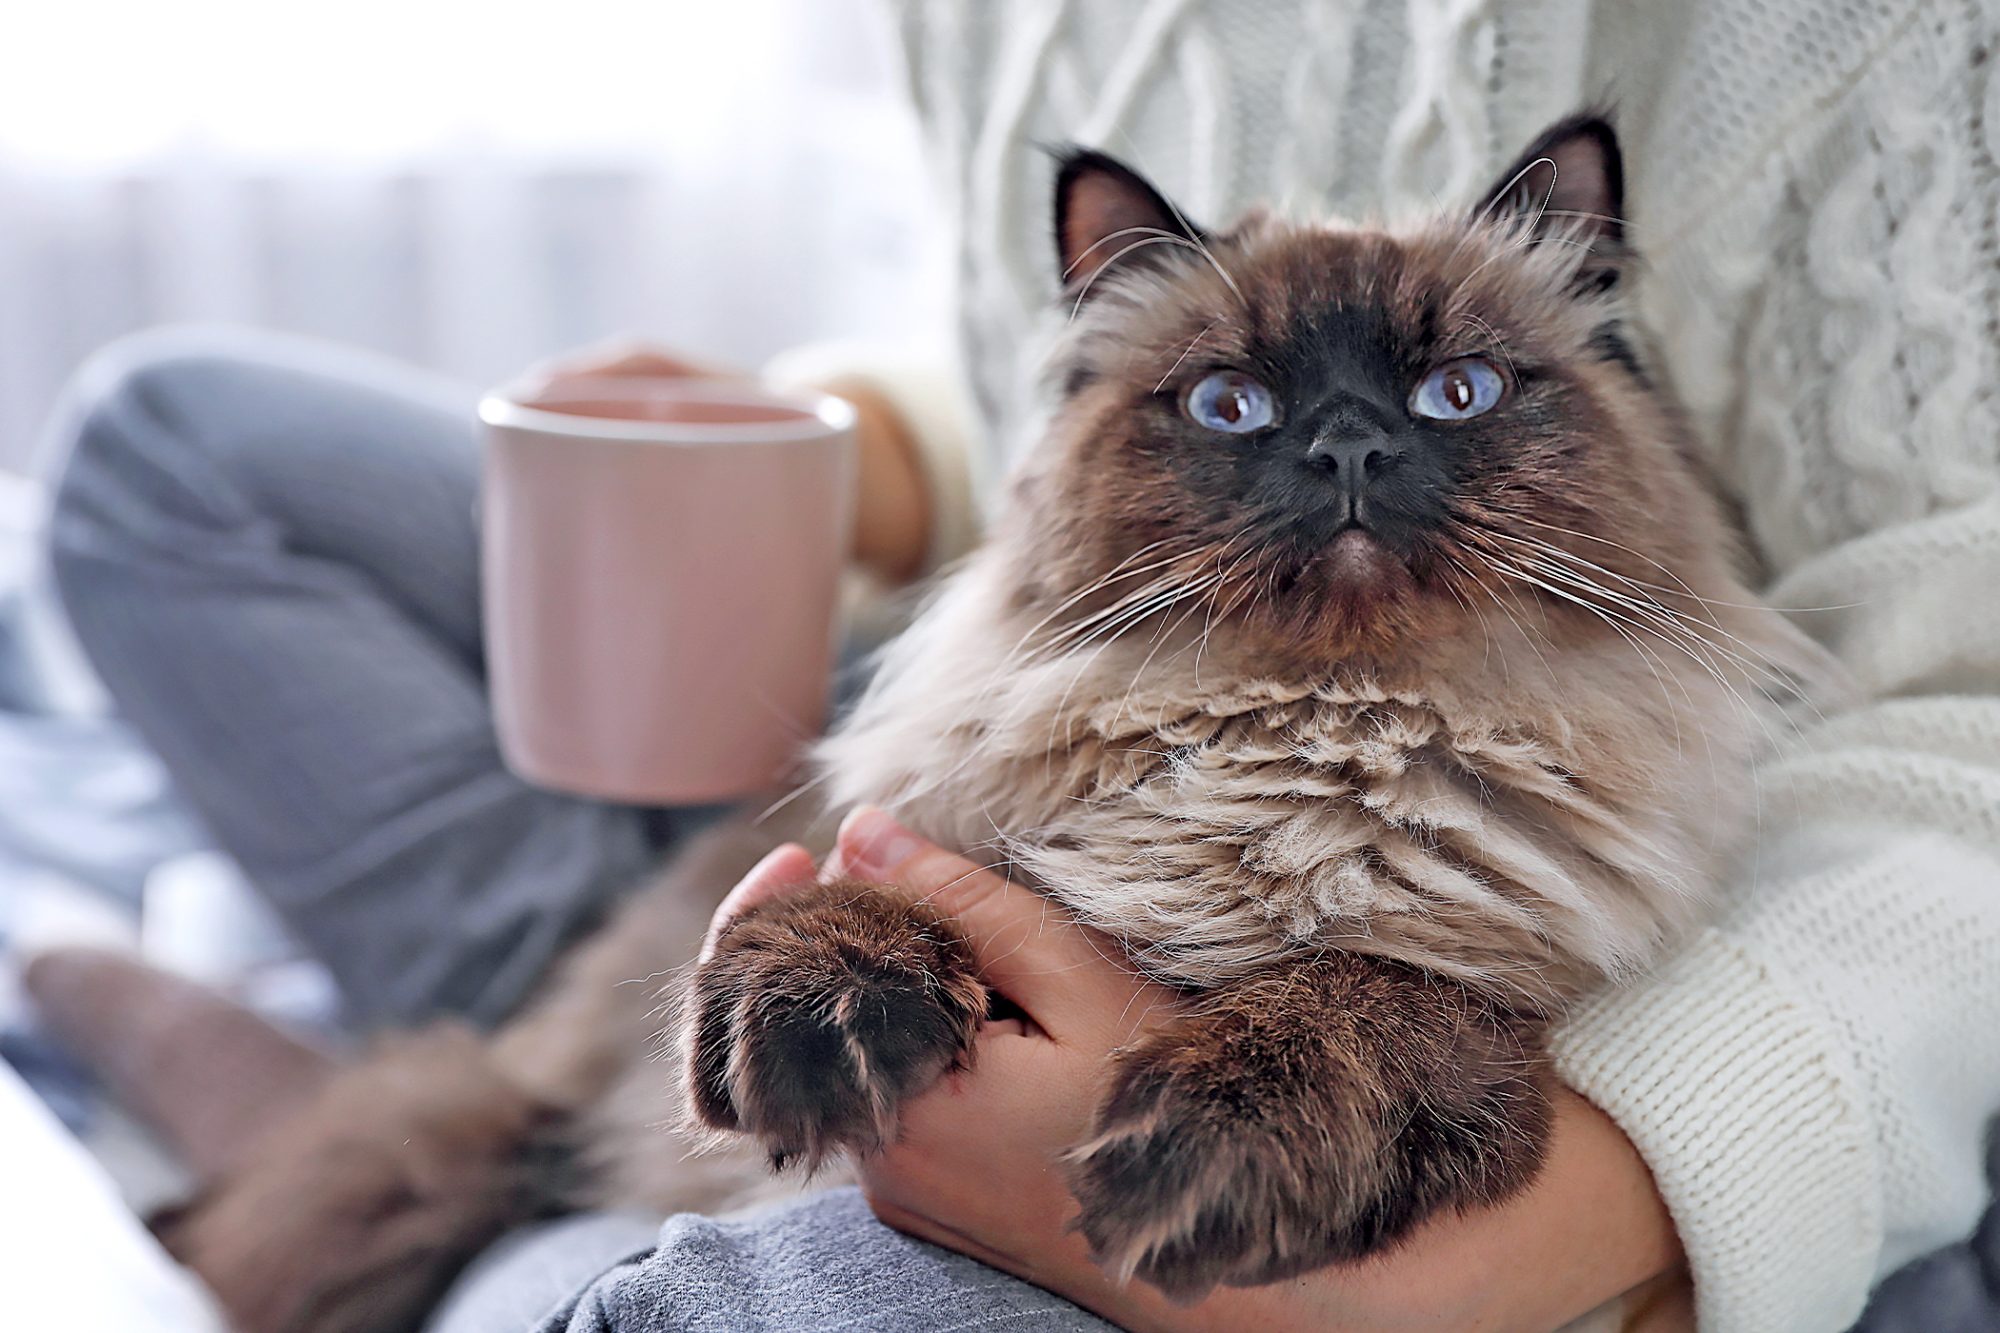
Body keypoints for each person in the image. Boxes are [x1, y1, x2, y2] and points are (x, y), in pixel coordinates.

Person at [36, 1, 2000, 1330]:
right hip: (1003, 677)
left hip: (1356, 1100)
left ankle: (471, 1163)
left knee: (763, 1293)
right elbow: (1026, 356)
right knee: (165, 451)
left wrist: (1567, 1219)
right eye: (1243, 404)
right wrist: (855, 444)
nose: (1344, 450)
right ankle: (503, 1084)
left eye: (1458, 389)